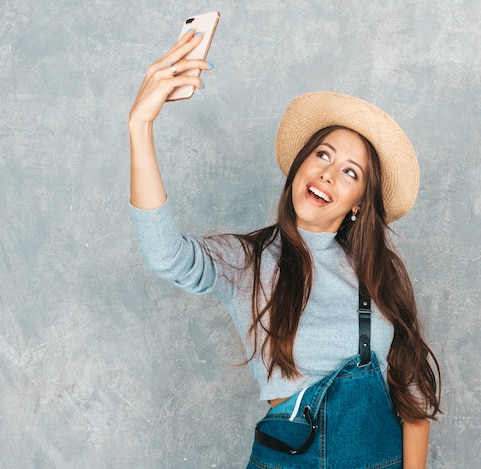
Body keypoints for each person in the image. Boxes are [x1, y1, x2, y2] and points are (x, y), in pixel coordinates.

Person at [129, 30, 441, 469]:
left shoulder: (378, 272)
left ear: (358, 205)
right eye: (323, 155)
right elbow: (166, 256)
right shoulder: (247, 262)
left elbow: (411, 395)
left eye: (351, 172)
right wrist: (140, 126)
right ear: (300, 167)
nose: (329, 174)